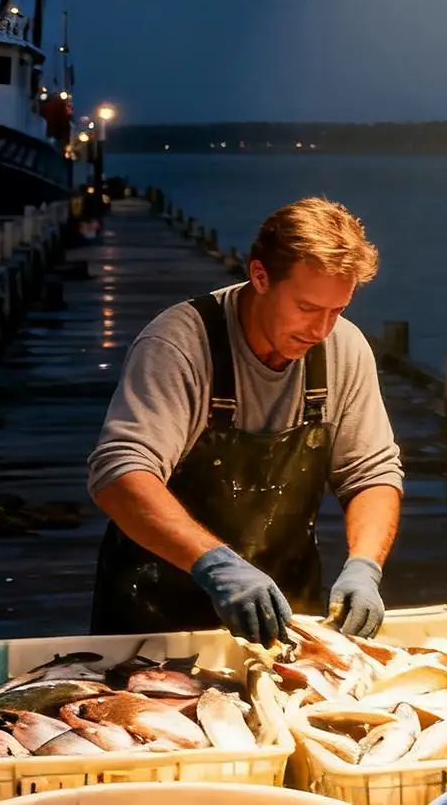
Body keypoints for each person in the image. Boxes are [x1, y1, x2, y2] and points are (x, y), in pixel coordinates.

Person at [88, 196, 403, 641]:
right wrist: (215, 563)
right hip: (155, 620)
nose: (321, 331)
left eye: (338, 310)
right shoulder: (178, 344)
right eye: (308, 308)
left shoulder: (343, 349)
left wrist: (364, 566)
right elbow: (119, 474)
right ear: (259, 276)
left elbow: (371, 472)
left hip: (284, 619)